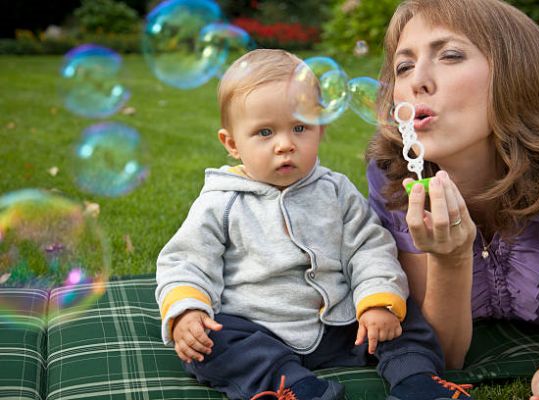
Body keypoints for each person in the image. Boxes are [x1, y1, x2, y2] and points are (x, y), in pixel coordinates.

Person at [156, 49, 473, 400]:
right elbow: (186, 262)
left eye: (299, 127)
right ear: (231, 143)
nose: (285, 145)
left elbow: (369, 247)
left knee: (402, 311)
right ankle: (293, 386)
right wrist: (187, 310)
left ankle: (416, 378)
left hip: (344, 324)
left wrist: (375, 301)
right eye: (264, 132)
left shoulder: (335, 191)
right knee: (208, 343)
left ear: (319, 131)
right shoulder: (221, 200)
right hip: (259, 329)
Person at [365, 1, 539, 399]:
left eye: (451, 55)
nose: (417, 81)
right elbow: (444, 355)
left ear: (517, 73)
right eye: (403, 67)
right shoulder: (395, 177)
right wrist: (450, 258)